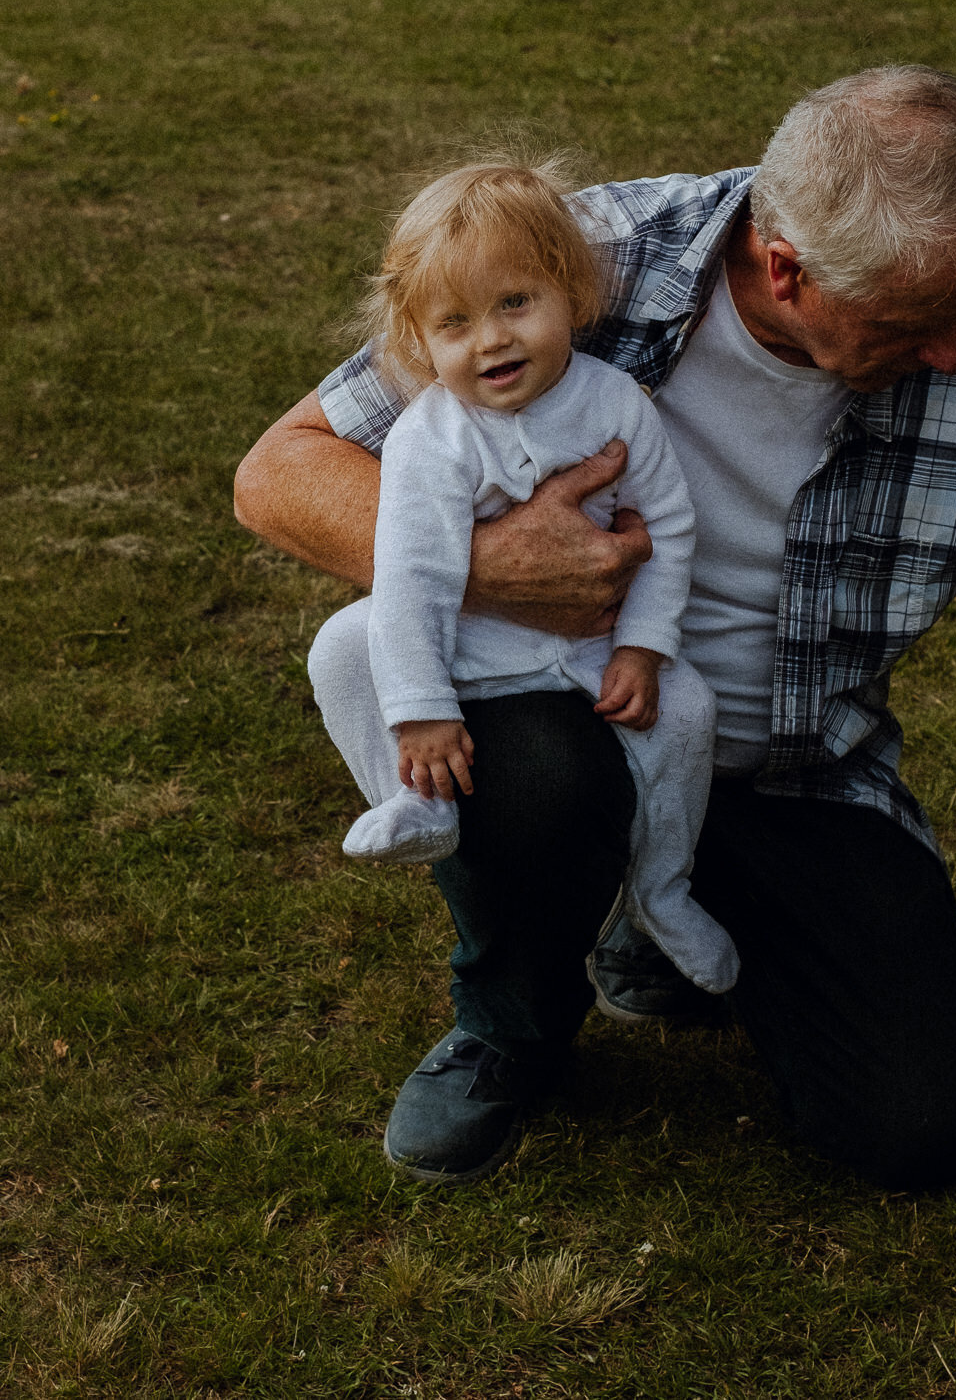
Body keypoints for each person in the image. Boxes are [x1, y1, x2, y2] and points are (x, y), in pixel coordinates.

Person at [234, 66, 956, 1191]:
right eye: (917, 323)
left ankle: (663, 903)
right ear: (786, 270)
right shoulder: (565, 260)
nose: (949, 354)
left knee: (916, 1123)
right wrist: (488, 567)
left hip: (792, 768)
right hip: (559, 700)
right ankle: (510, 1021)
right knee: (531, 774)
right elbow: (277, 471)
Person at [311, 157, 739, 1182]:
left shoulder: (615, 404)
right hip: (470, 655)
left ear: (572, 295)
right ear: (417, 343)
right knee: (343, 644)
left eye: (516, 302)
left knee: (686, 708)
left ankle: (662, 890)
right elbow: (410, 577)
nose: (491, 338)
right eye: (454, 323)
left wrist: (642, 645)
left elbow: (667, 525)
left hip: (587, 649)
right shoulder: (427, 437)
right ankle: (415, 803)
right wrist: (420, 711)